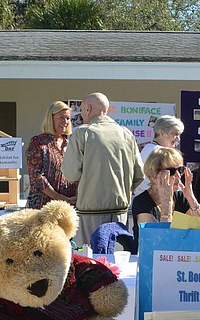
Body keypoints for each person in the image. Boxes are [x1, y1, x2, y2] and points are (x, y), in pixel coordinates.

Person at [62, 92, 144, 244]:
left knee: (90, 262)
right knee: (116, 262)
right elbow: (139, 174)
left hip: (90, 213)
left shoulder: (82, 133)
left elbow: (70, 173)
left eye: (82, 110)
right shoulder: (126, 134)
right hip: (121, 213)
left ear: (88, 108)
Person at [131, 147, 200, 244]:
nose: (178, 176)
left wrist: (191, 197)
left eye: (180, 170)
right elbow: (159, 241)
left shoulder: (180, 197)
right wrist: (166, 203)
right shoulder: (141, 201)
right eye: (171, 171)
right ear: (154, 176)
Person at [25, 101, 77, 210]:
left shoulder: (70, 143)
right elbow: (37, 176)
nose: (65, 122)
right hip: (43, 207)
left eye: (68, 118)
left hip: (68, 207)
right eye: (61, 118)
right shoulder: (38, 142)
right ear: (51, 118)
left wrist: (75, 197)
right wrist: (58, 197)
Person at [135, 115, 184, 198]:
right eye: (175, 134)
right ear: (162, 133)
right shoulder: (157, 152)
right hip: (154, 201)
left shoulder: (149, 148)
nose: (178, 138)